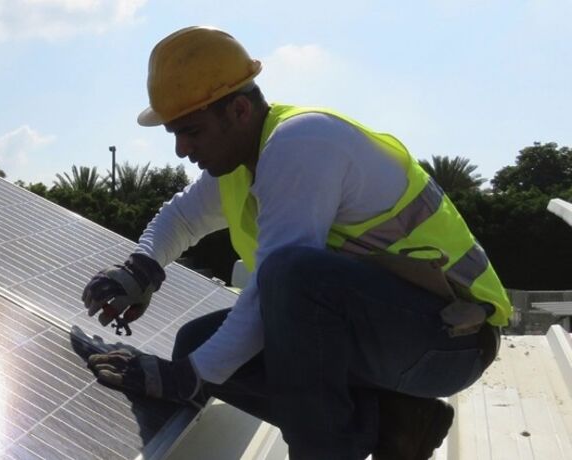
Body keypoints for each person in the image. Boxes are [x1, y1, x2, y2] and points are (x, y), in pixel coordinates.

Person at [80, 26, 510, 460]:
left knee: (289, 279)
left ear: (240, 110)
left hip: (453, 339)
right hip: (395, 337)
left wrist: (187, 378)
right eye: (175, 133)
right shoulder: (240, 162)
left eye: (191, 131)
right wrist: (140, 270)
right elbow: (182, 216)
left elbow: (276, 285)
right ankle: (391, 422)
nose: (180, 149)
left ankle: (324, 451)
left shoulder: (302, 143)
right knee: (196, 343)